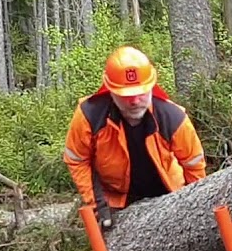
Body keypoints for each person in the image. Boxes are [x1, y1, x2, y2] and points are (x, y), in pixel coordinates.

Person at [63, 45, 207, 228]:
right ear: (111, 91)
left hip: (168, 192)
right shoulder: (90, 115)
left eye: (141, 93)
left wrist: (193, 206)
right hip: (116, 197)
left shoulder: (172, 118)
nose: (135, 101)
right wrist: (96, 204)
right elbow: (77, 160)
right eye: (126, 95)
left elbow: (194, 166)